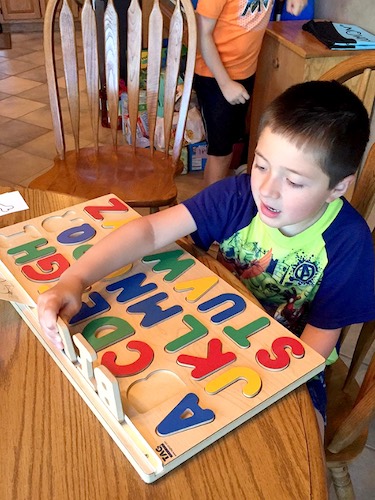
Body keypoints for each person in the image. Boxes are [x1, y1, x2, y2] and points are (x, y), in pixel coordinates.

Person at [37, 81, 375, 434]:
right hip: (212, 330)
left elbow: (319, 340)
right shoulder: (237, 196)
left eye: (294, 182)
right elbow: (149, 231)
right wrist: (74, 279)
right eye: (260, 165)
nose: (266, 189)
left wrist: (273, 387)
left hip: (293, 360)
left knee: (299, 438)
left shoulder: (348, 242)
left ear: (337, 188)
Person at [194, 0, 308, 186]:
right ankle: (211, 209)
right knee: (220, 152)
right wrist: (225, 84)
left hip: (245, 72)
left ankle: (224, 192)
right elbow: (202, 33)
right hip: (216, 77)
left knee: (231, 142)